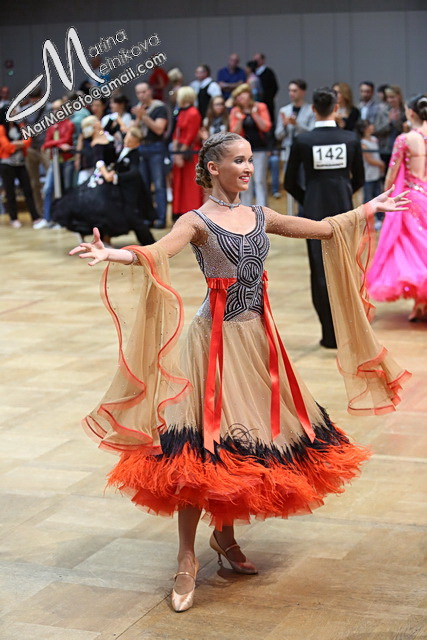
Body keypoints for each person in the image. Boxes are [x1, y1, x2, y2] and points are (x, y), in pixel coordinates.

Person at [70, 131, 410, 613]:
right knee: (200, 449)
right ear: (213, 168)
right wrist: (113, 253)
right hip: (213, 344)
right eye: (238, 160)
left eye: (250, 159)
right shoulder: (196, 221)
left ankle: (224, 538)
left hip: (258, 341)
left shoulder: (260, 215)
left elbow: (322, 229)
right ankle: (186, 558)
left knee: (238, 443)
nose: (248, 167)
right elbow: (158, 251)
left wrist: (368, 208)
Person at [285, 87, 365, 348]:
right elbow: (359, 179)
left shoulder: (303, 140)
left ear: (312, 109)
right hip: (344, 213)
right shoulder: (350, 139)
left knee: (320, 272)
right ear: (337, 108)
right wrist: (343, 195)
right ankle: (348, 332)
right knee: (346, 270)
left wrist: (309, 200)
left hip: (314, 216)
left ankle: (329, 335)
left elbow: (289, 182)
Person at [367, 94, 427, 321]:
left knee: (413, 249)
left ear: (410, 112)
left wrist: (385, 196)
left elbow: (392, 173)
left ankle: (421, 303)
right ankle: (422, 302)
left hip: (411, 198)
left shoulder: (405, 139)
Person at [34, 100, 75, 229]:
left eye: (57, 108)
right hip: (54, 161)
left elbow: (66, 139)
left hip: (67, 161)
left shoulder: (69, 124)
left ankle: (66, 219)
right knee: (48, 189)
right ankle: (48, 218)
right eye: (53, 109)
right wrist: (56, 144)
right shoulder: (52, 126)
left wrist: (51, 144)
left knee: (66, 189)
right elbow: (47, 142)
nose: (55, 111)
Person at [132, 82, 168, 229]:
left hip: (155, 147)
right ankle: (148, 217)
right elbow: (134, 130)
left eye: (144, 91)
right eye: (138, 92)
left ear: (150, 91)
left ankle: (161, 218)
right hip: (141, 146)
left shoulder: (159, 107)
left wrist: (144, 116)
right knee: (144, 185)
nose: (141, 95)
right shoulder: (139, 108)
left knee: (159, 185)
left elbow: (159, 129)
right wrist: (138, 117)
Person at [229, 83, 271, 206]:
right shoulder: (235, 111)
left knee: (259, 180)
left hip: (260, 149)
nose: (240, 98)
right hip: (243, 152)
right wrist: (240, 120)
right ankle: (245, 209)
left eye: (241, 94)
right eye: (237, 96)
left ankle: (262, 209)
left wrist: (255, 115)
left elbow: (266, 127)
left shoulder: (260, 107)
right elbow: (234, 132)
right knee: (245, 181)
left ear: (249, 94)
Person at [0, 106, 41, 227]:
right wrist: (19, 144)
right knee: (10, 191)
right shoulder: (1, 128)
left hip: (21, 163)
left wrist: (17, 143)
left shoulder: (20, 126)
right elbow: (6, 146)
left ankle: (35, 217)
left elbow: (28, 140)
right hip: (7, 164)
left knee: (28, 189)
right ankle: (13, 218)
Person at [275, 79, 315, 199]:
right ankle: (290, 209)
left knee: (305, 183)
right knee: (290, 184)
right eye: (290, 90)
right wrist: (285, 125)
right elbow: (278, 135)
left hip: (305, 152)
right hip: (288, 151)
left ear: (303, 92)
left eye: (295, 91)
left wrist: (296, 124)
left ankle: (304, 208)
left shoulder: (311, 110)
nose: (291, 93)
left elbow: (312, 132)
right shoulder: (284, 110)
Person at [171, 86, 203, 221]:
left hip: (190, 153)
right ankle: (179, 211)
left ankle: (192, 212)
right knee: (179, 183)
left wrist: (179, 153)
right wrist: (175, 152)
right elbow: (176, 133)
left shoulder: (193, 113)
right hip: (180, 151)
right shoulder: (181, 112)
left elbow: (190, 135)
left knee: (191, 184)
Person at [23, 88, 51, 217]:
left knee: (50, 181)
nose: (35, 101)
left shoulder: (49, 108)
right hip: (31, 148)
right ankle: (39, 212)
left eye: (37, 98)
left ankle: (51, 211)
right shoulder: (26, 110)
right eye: (32, 99)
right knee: (34, 183)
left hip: (45, 147)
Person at [356, 119, 385, 230]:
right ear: (364, 129)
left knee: (379, 196)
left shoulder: (374, 139)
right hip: (368, 175)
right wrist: (381, 164)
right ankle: (367, 220)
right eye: (369, 125)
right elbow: (369, 160)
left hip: (377, 174)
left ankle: (379, 219)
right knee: (368, 198)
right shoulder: (363, 143)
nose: (372, 126)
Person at [375, 85, 407, 170]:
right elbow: (377, 130)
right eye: (388, 97)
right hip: (385, 148)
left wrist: (397, 121)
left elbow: (406, 131)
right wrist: (389, 122)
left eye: (392, 97)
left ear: (399, 96)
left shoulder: (405, 111)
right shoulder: (382, 111)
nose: (390, 100)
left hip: (401, 148)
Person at [252, 53, 279, 122]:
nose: (255, 62)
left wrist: (268, 97)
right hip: (255, 101)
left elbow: (275, 87)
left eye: (257, 60)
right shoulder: (252, 73)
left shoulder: (268, 72)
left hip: (267, 101)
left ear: (262, 60)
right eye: (254, 60)